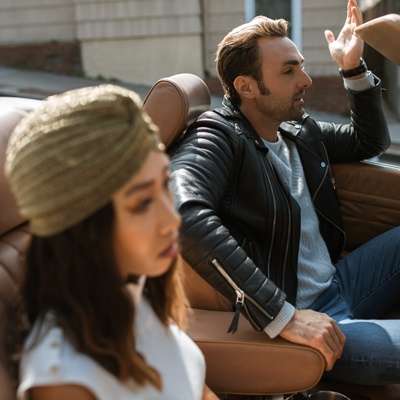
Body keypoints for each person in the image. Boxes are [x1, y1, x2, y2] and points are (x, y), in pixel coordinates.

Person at [170, 0, 400, 385]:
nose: (306, 80)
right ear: (246, 87)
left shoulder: (294, 130)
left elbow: (369, 141)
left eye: (301, 66)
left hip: (340, 281)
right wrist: (282, 315)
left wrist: (351, 68)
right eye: (289, 71)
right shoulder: (216, 136)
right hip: (305, 314)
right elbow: (182, 213)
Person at [5, 85, 218, 399]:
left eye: (165, 184)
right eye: (142, 204)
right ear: (82, 226)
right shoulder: (67, 379)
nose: (172, 220)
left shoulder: (136, 291)